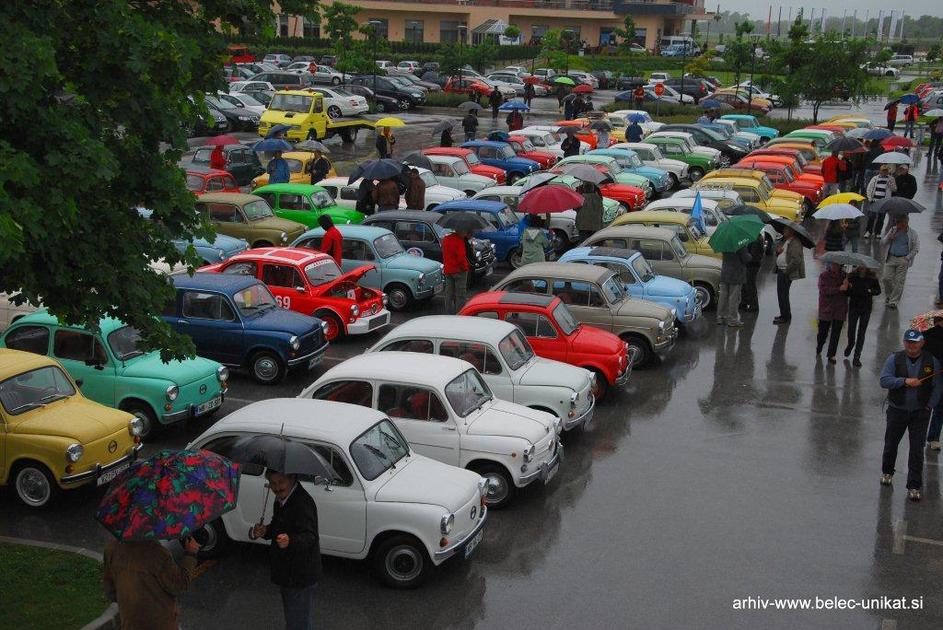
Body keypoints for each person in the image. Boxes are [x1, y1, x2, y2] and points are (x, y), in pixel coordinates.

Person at [250, 470, 321, 629]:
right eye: (273, 483)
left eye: (281, 482)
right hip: (287, 573)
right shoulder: (281, 499)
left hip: (300, 575)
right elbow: (278, 525)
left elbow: (310, 537)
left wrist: (291, 540)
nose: (276, 488)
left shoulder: (302, 503)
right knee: (295, 619)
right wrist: (265, 531)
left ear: (292, 478)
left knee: (298, 623)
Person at [879, 329, 943, 501]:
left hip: (920, 413)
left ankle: (914, 486)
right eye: (908, 342)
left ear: (922, 343)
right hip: (897, 410)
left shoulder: (932, 361)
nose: (911, 346)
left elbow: (937, 386)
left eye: (915, 343)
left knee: (917, 449)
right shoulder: (894, 359)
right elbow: (884, 380)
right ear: (904, 342)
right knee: (891, 444)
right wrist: (904, 381)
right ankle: (887, 472)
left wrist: (929, 406)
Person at [103, 537, 200, 630]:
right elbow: (180, 584)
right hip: (160, 624)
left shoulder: (112, 548)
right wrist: (191, 553)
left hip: (130, 624)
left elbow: (110, 590)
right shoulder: (158, 553)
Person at [843, 266, 881, 367]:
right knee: (851, 329)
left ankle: (857, 356)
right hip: (854, 307)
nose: (862, 268)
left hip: (866, 308)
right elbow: (847, 293)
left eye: (864, 267)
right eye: (860, 266)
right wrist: (847, 287)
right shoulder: (852, 277)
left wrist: (870, 291)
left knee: (862, 332)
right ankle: (851, 344)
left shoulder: (872, 278)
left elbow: (878, 291)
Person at [880, 214, 919, 310]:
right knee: (886, 278)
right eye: (897, 222)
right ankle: (890, 295)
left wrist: (908, 257)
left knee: (899, 281)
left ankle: (893, 301)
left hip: (903, 259)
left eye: (899, 222)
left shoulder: (912, 233)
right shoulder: (893, 230)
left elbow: (916, 248)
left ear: (905, 223)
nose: (897, 224)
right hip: (891, 258)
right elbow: (883, 242)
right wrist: (889, 238)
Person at [816, 262, 848, 363]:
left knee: (836, 333)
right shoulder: (824, 275)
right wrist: (839, 288)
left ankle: (831, 354)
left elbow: (848, 292)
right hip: (826, 307)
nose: (834, 266)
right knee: (823, 332)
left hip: (840, 307)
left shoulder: (845, 276)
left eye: (837, 265)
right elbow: (824, 290)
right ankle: (820, 345)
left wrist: (848, 286)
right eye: (833, 264)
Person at [774, 226, 804, 325]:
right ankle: (784, 314)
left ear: (791, 231)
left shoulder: (795, 243)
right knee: (781, 294)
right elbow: (783, 254)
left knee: (783, 295)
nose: (783, 230)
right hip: (781, 270)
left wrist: (786, 271)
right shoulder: (787, 241)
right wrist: (778, 252)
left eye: (786, 229)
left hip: (785, 272)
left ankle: (785, 316)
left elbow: (796, 260)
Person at [716, 243, 751, 328]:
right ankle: (732, 320)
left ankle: (720, 317)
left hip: (725, 272)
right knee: (734, 298)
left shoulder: (724, 243)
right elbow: (746, 258)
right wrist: (750, 255)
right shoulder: (739, 244)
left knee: (723, 296)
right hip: (736, 274)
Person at [923, 316, 943, 450]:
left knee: (938, 407)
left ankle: (932, 437)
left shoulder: (925, 334)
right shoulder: (927, 335)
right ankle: (931, 437)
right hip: (930, 374)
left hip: (931, 375)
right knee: (933, 406)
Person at [863, 164, 896, 239]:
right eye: (883, 171)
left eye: (886, 171)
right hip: (874, 201)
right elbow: (869, 188)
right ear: (880, 171)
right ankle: (868, 231)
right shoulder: (875, 178)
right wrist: (870, 199)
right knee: (871, 217)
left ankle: (877, 232)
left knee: (881, 218)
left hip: (884, 202)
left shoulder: (891, 179)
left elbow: (894, 189)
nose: (884, 172)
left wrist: (890, 184)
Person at [442, 228, 470, 313]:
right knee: (460, 295)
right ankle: (460, 313)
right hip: (459, 271)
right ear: (461, 231)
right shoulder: (459, 240)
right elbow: (461, 258)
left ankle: (448, 312)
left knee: (449, 294)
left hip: (448, 270)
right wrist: (465, 268)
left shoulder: (446, 239)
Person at [739, 234, 764, 312]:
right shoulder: (753, 237)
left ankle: (753, 305)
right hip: (750, 264)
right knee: (745, 284)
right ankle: (744, 302)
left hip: (752, 265)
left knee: (750, 285)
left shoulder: (755, 239)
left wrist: (744, 255)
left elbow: (753, 256)